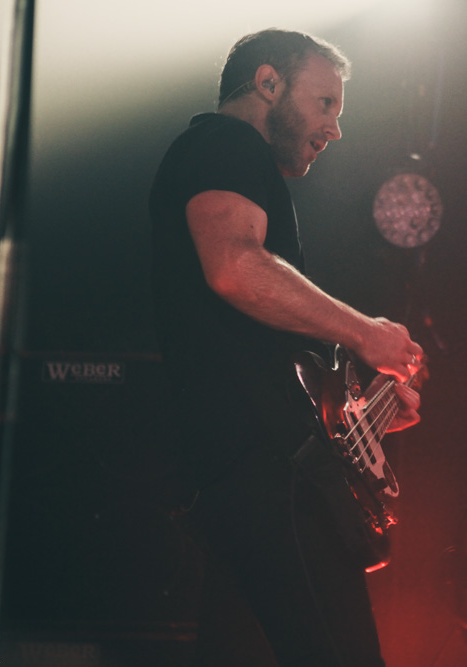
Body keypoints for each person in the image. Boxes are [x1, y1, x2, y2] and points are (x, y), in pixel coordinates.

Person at [149, 29, 422, 667]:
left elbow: (275, 358)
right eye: (325, 103)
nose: (335, 128)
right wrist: (366, 332)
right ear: (267, 83)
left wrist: (365, 412)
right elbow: (235, 269)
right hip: (270, 475)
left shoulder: (228, 156)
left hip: (242, 471)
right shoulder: (226, 142)